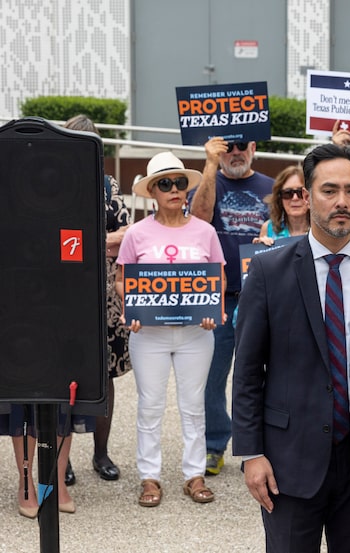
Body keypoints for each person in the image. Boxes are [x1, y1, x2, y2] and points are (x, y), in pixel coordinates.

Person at [232, 144, 350, 552]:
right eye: (330, 190)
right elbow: (248, 371)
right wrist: (250, 453)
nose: (342, 202)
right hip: (288, 460)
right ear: (307, 194)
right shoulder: (268, 271)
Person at [118, 152, 226, 507]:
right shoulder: (136, 233)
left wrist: (215, 309)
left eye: (180, 182)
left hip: (197, 331)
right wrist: (131, 307)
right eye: (166, 183)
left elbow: (218, 278)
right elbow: (122, 280)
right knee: (150, 405)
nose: (175, 189)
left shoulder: (206, 230)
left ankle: (193, 475)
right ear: (152, 191)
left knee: (194, 406)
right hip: (148, 333)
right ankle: (150, 477)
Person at [189, 137, 271, 475]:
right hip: (219, 296)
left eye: (241, 146)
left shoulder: (271, 186)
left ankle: (259, 447)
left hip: (263, 297)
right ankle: (214, 445)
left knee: (265, 376)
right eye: (228, 147)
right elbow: (198, 220)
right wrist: (209, 164)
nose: (235, 153)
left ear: (253, 147)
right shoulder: (210, 181)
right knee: (212, 377)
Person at [63, 114, 132, 483]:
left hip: (105, 300)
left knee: (105, 379)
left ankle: (101, 453)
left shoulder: (108, 186)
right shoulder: (51, 186)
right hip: (63, 299)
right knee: (61, 378)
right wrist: (101, 242)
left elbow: (126, 235)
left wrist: (86, 244)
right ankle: (64, 457)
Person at [254, 165, 309, 245]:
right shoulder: (268, 228)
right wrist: (259, 249)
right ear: (279, 197)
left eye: (300, 192)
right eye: (287, 193)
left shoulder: (321, 230)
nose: (295, 198)